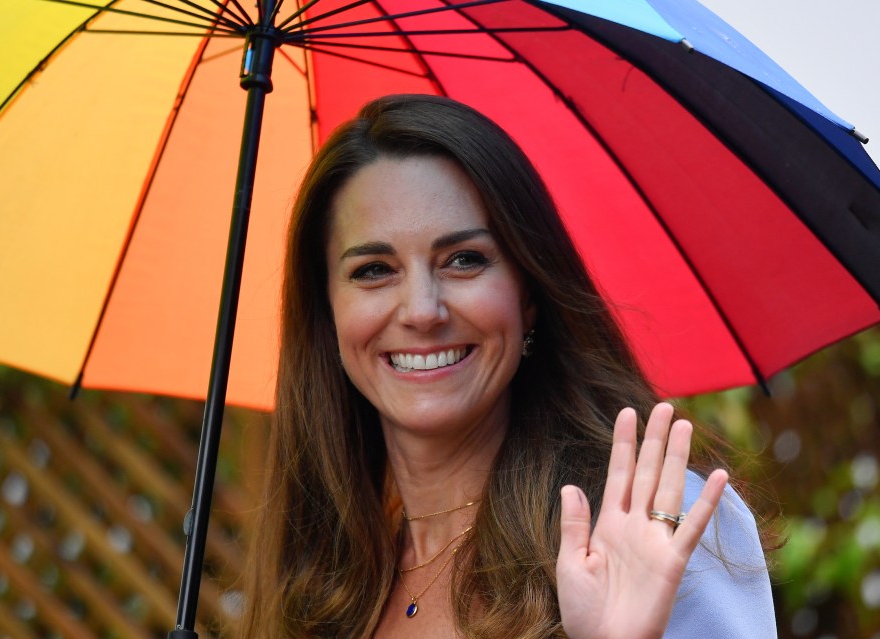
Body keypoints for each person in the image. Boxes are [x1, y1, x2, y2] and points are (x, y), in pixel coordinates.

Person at [238, 94, 776, 638]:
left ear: (528, 293)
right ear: (326, 310)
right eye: (374, 270)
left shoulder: (652, 521)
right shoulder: (319, 577)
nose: (423, 311)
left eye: (464, 260)